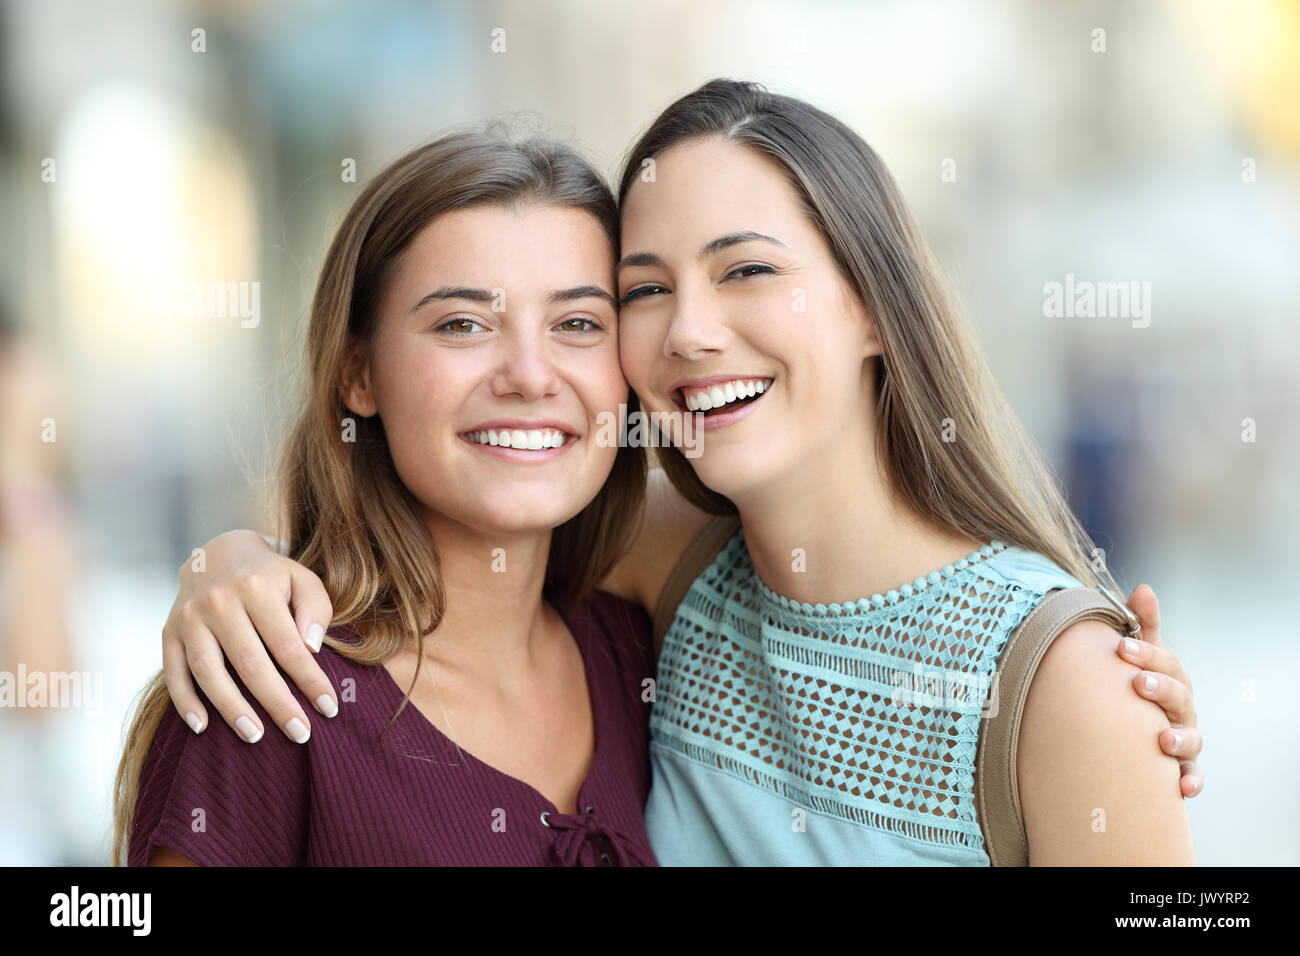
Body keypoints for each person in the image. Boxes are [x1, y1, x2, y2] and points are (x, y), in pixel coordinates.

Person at [153, 81, 1204, 865]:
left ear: (876, 305)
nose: (693, 331)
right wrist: (226, 562)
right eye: (644, 289)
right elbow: (446, 535)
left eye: (747, 269)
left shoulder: (1062, 685)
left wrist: (1094, 709)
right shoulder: (665, 573)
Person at [113, 130, 657, 866]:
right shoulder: (270, 689)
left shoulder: (646, 658)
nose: (531, 375)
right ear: (357, 375)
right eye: (462, 324)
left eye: (578, 324)